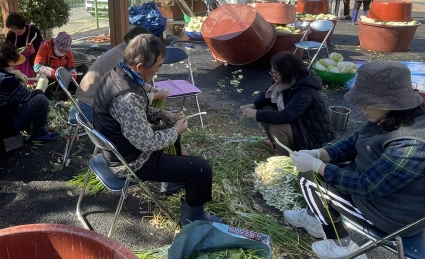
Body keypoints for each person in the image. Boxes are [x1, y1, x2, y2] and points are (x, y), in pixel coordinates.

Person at [283, 61, 425, 259]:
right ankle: (313, 217)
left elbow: (366, 186)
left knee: (309, 179)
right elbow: (356, 141)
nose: (362, 109)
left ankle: (340, 244)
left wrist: (316, 165)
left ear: (389, 102)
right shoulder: (394, 115)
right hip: (390, 194)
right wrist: (319, 153)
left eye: (367, 104)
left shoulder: (414, 145)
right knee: (323, 171)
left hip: (394, 216)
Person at [92, 34, 220, 226]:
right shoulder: (126, 98)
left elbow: (130, 115)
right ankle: (194, 218)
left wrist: (160, 114)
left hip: (122, 149)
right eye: (158, 66)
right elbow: (147, 142)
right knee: (201, 169)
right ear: (140, 66)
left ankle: (171, 181)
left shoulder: (117, 73)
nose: (159, 69)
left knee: (169, 128)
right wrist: (176, 131)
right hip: (132, 162)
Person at [242, 52, 335, 153]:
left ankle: (285, 157)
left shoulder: (304, 91)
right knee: (264, 109)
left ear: (287, 74)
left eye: (276, 75)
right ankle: (276, 144)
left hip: (312, 137)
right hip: (298, 124)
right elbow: (267, 95)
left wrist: (256, 113)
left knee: (277, 127)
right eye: (272, 73)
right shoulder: (285, 81)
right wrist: (254, 105)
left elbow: (287, 116)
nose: (273, 77)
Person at [75, 26, 169, 122]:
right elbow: (129, 100)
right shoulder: (119, 60)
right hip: (90, 105)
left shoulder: (125, 54)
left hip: (95, 102)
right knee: (131, 118)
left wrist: (151, 89)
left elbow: (134, 84)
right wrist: (154, 96)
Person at [0, 42, 58, 143]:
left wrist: (13, 73)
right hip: (7, 128)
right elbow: (32, 97)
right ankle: (40, 133)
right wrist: (42, 85)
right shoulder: (6, 80)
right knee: (41, 100)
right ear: (10, 62)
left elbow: (1, 80)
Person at [4, 12, 43, 78]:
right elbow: (6, 45)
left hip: (32, 59)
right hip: (19, 59)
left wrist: (32, 50)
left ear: (23, 25)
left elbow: (39, 47)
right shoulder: (11, 34)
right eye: (13, 29)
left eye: (18, 28)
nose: (17, 31)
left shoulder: (34, 31)